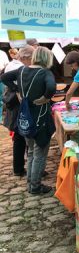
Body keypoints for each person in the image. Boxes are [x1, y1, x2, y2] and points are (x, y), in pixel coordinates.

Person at [1, 46, 56, 194]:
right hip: (40, 117)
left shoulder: (21, 70)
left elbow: (4, 77)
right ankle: (36, 186)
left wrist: (17, 90)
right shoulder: (45, 72)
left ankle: (31, 184)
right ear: (47, 58)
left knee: (31, 151)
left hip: (25, 118)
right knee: (39, 153)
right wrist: (45, 98)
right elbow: (51, 88)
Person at [1, 45, 34, 176]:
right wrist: (17, 89)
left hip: (15, 104)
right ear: (26, 57)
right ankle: (19, 168)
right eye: (32, 57)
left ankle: (20, 167)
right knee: (20, 136)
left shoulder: (16, 65)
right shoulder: (19, 67)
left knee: (20, 136)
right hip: (16, 105)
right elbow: (3, 78)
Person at [0, 49, 10, 123]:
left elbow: (7, 65)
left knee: (1, 99)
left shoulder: (2, 53)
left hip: (1, 77)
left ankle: (0, 118)